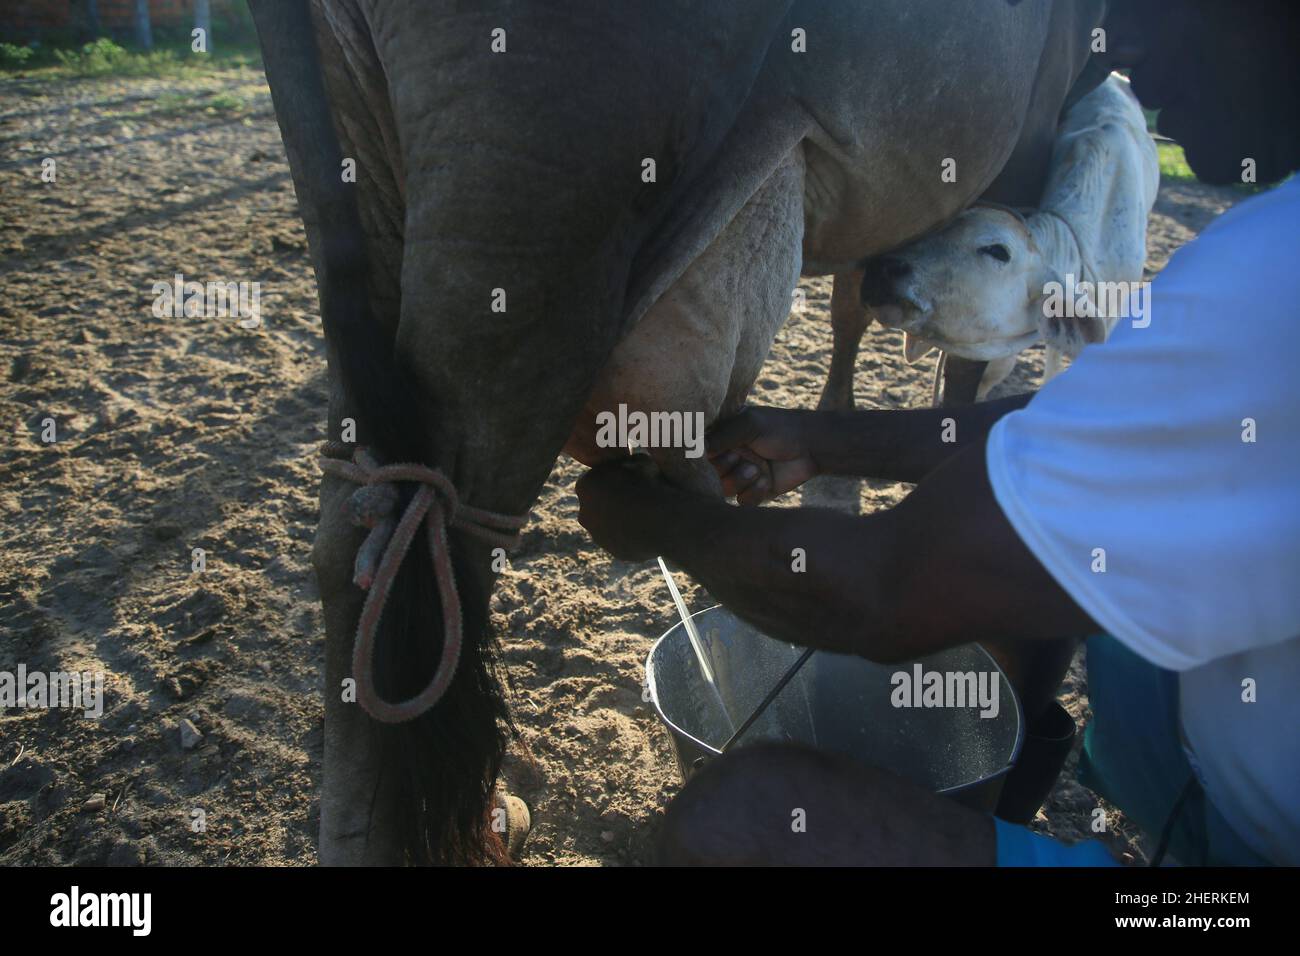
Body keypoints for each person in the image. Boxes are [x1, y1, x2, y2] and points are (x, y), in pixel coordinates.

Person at [575, 0, 1300, 865]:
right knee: (1042, 560)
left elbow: (881, 593)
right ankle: (1007, 803)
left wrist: (654, 523)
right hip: (1208, 801)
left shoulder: (1273, 272)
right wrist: (827, 439)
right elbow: (1089, 437)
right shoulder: (1263, 255)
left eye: (1186, 20)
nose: (1134, 59)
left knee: (738, 817)